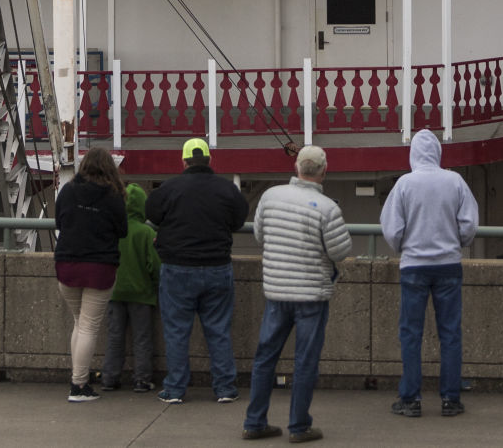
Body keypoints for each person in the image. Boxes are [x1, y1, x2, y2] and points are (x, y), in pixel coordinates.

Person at [241, 144, 352, 445]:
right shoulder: (328, 208)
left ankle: (254, 422)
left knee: (265, 357)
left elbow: (260, 235)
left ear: (297, 168)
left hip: (277, 292)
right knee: (305, 362)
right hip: (311, 296)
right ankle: (299, 426)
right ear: (324, 172)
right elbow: (340, 251)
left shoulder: (270, 196)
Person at [380, 129, 478, 419]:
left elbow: (392, 228)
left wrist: (404, 247)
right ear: (437, 152)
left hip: (413, 265)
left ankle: (410, 399)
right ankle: (450, 399)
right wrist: (456, 242)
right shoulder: (455, 181)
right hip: (448, 264)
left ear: (413, 154)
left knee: (411, 334)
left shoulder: (404, 184)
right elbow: (469, 225)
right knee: (450, 333)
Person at [145, 135, 249, 405]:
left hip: (178, 268)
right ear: (209, 160)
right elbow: (238, 220)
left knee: (177, 331)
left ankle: (176, 389)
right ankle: (225, 388)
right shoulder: (227, 189)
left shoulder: (169, 188)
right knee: (218, 329)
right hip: (217, 267)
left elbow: (153, 213)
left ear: (184, 161)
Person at [53, 145, 129, 402]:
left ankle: (78, 379)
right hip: (99, 266)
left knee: (79, 322)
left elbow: (59, 222)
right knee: (88, 326)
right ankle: (79, 385)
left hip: (66, 264)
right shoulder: (113, 195)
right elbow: (122, 230)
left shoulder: (68, 190)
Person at [100, 180, 161, 392]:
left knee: (115, 337)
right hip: (142, 294)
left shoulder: (112, 230)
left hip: (114, 291)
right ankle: (142, 380)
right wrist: (155, 285)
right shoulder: (146, 232)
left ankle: (109, 377)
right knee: (142, 338)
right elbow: (155, 265)